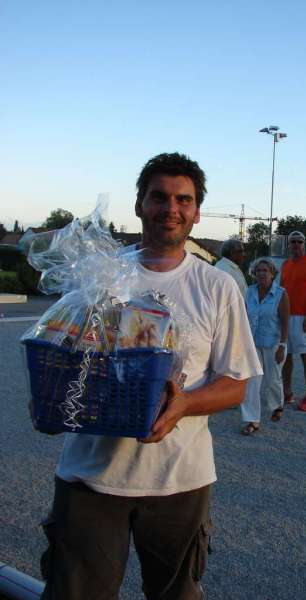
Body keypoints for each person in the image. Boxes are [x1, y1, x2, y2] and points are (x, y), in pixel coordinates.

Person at [40, 153, 262, 600]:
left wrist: (183, 405)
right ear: (139, 204)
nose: (171, 208)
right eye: (159, 197)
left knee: (175, 594)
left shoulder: (216, 287)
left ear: (197, 212)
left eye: (184, 199)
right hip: (90, 475)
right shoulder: (96, 278)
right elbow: (61, 360)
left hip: (179, 480)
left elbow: (235, 384)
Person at [241, 257, 290, 435]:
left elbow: (285, 322)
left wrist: (283, 346)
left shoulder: (280, 294)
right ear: (254, 274)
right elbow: (244, 317)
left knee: (273, 380)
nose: (262, 274)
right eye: (258, 271)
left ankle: (277, 405)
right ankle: (252, 420)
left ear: (272, 274)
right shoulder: (250, 292)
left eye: (265, 271)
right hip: (253, 343)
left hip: (273, 343)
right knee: (252, 382)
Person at [280, 231, 306, 412]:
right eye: (293, 242)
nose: (296, 244)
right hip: (286, 316)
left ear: (304, 244)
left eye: (299, 241)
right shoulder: (285, 264)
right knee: (286, 355)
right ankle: (287, 391)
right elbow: (281, 291)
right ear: (288, 244)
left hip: (303, 316)